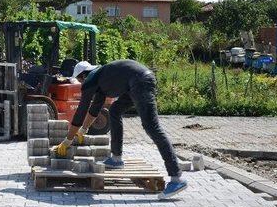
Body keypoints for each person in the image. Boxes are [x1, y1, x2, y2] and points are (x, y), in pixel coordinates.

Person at [54, 60, 187, 199]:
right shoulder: (100, 79)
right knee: (115, 110)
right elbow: (94, 109)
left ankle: (176, 178)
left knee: (152, 127)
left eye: (80, 80)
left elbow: (81, 111)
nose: (81, 84)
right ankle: (116, 159)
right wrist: (83, 130)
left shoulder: (91, 80)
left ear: (82, 76)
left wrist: (67, 140)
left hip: (140, 82)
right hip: (136, 82)